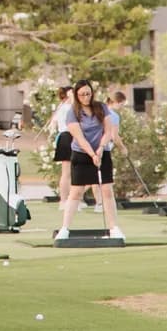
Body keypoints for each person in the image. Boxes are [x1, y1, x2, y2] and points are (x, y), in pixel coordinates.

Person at [54, 79, 124, 241]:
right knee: (76, 192)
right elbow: (79, 137)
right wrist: (92, 154)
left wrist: (100, 148)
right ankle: (64, 229)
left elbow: (108, 131)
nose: (86, 97)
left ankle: (114, 228)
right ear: (77, 96)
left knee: (107, 191)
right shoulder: (73, 112)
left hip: (102, 153)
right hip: (81, 154)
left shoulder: (101, 107)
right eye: (82, 95)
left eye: (88, 93)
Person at [46, 87, 74, 204]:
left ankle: (65, 200)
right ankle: (67, 200)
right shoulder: (68, 107)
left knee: (67, 172)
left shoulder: (61, 107)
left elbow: (52, 124)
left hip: (63, 137)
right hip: (69, 137)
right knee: (69, 172)